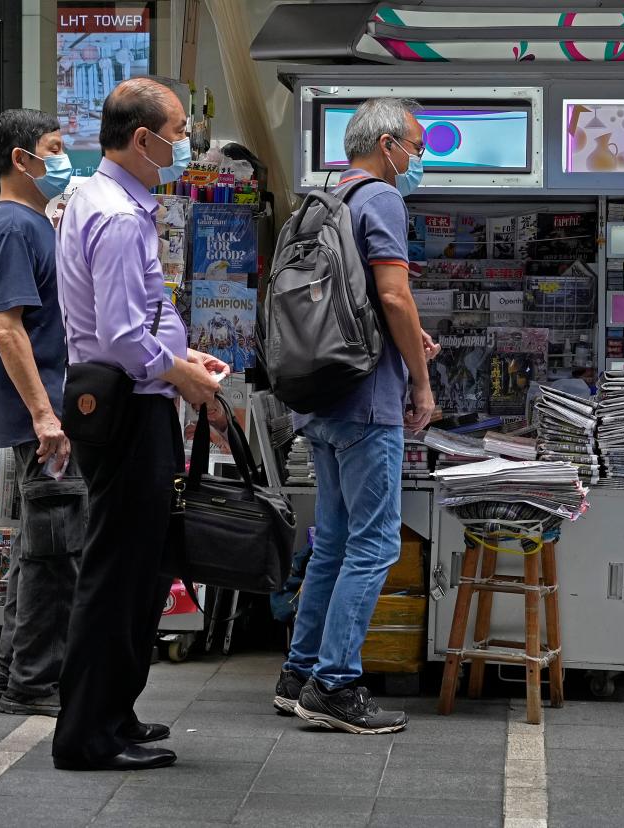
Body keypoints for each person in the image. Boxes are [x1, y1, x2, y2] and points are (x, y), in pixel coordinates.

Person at [53, 77, 224, 771]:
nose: (186, 145)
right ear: (144, 138)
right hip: (127, 405)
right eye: (180, 133)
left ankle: (114, 713)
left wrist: (180, 357)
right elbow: (123, 336)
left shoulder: (103, 200)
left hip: (127, 395)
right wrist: (186, 377)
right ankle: (88, 735)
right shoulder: (120, 216)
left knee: (141, 566)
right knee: (119, 571)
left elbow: (128, 324)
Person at [272, 97, 437, 734]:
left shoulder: (326, 201)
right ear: (389, 143)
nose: (418, 159)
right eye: (417, 147)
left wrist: (405, 338)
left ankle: (299, 672)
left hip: (324, 397)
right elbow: (394, 294)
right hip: (369, 404)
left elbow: (365, 302)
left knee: (333, 543)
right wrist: (420, 384)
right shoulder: (383, 199)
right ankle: (336, 684)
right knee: (374, 543)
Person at [0, 109, 85, 718]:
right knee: (53, 553)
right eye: (54, 147)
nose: (64, 158)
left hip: (50, 413)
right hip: (45, 422)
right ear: (22, 159)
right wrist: (46, 417)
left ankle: (11, 674)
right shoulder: (14, 227)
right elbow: (5, 328)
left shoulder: (33, 221)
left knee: (37, 549)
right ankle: (34, 685)